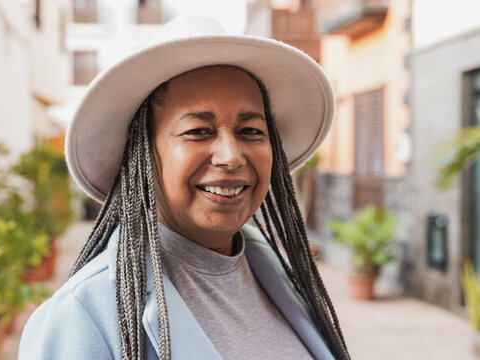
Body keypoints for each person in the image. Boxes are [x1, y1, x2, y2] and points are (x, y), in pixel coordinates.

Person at [19, 17, 349, 360]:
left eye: (250, 130)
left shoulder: (280, 276)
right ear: (143, 154)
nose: (231, 156)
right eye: (198, 131)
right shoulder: (83, 317)